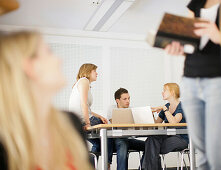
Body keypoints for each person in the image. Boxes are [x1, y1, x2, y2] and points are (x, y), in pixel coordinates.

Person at [0, 31, 92, 170]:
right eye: (49, 52)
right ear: (30, 67)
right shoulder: (5, 142)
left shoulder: (71, 123)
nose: (59, 60)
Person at [164, 0, 221, 169]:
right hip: (190, 80)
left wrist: (218, 35)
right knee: (201, 152)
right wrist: (179, 47)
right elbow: (190, 41)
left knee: (219, 154)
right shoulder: (196, 3)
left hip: (220, 80)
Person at [69, 63, 113, 167]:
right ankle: (108, 164)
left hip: (78, 120)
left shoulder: (82, 83)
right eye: (95, 71)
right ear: (88, 71)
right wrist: (88, 123)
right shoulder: (84, 81)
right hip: (83, 120)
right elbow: (84, 104)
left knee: (98, 143)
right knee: (109, 133)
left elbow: (86, 108)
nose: (97, 73)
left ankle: (90, 167)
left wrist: (99, 116)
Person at [142, 83, 188, 170]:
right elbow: (156, 123)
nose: (162, 93)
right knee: (151, 140)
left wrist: (164, 109)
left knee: (151, 147)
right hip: (167, 136)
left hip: (180, 138)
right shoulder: (166, 106)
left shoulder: (181, 106)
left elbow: (174, 122)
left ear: (172, 92)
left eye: (164, 90)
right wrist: (150, 114)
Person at [107, 88, 145, 170]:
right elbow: (115, 123)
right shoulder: (112, 109)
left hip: (129, 139)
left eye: (129, 98)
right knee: (123, 144)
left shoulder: (132, 109)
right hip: (117, 139)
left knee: (149, 146)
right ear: (117, 100)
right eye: (125, 99)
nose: (128, 101)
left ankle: (142, 168)